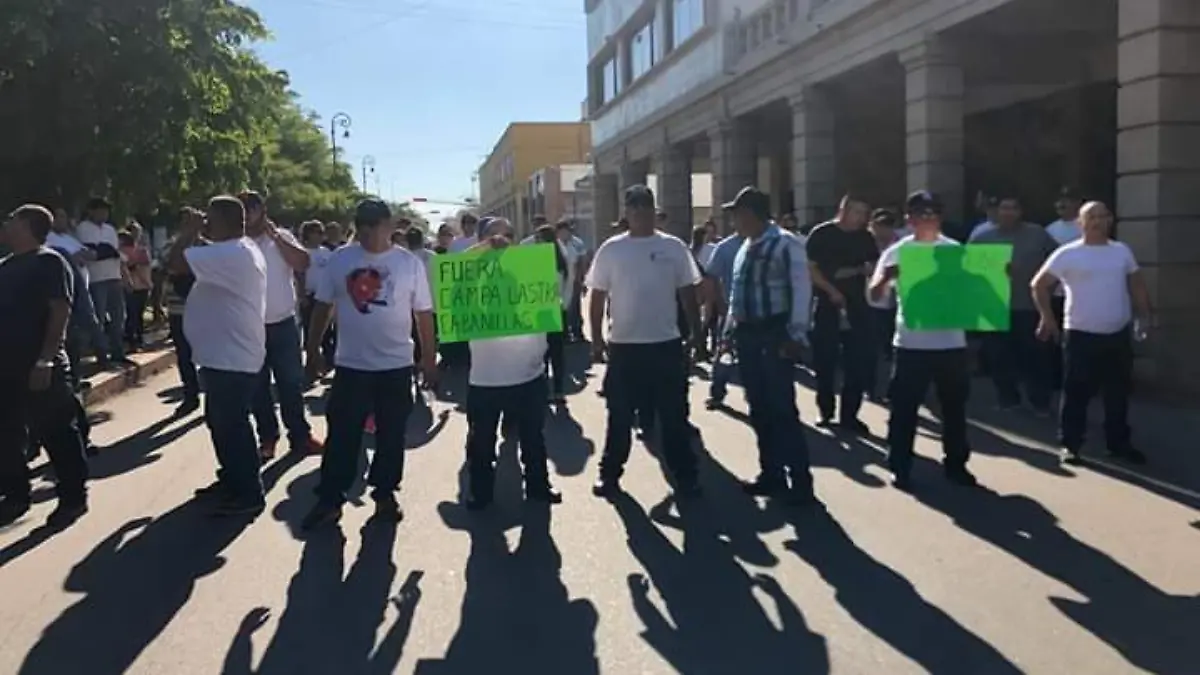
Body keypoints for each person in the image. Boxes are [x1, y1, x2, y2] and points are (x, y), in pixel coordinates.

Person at [301, 199, 438, 531]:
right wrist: (313, 349)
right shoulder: (340, 260)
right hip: (351, 366)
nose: (367, 236)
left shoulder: (409, 264)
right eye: (361, 228)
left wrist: (428, 358)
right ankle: (331, 499)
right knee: (343, 435)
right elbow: (323, 306)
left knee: (392, 436)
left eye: (373, 228)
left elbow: (423, 313)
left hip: (395, 366)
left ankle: (385, 494)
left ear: (389, 227)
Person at [587, 184, 702, 498]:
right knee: (620, 416)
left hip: (665, 345)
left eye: (644, 205)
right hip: (624, 347)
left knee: (673, 416)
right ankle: (609, 475)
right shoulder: (611, 249)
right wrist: (596, 341)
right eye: (633, 206)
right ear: (626, 212)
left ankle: (686, 476)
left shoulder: (674, 247)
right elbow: (597, 297)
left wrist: (697, 331)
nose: (639, 211)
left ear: (654, 209)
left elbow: (688, 293)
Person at [870, 191, 977, 491]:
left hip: (951, 344)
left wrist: (995, 278)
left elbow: (974, 297)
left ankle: (956, 464)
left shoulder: (956, 251)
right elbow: (874, 297)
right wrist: (885, 278)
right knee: (904, 410)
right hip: (911, 345)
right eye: (921, 214)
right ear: (910, 219)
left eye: (933, 213)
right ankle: (900, 466)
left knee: (954, 409)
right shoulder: (897, 252)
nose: (927, 218)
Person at [1031, 201, 1150, 466]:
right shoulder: (1067, 254)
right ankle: (1070, 445)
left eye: (1102, 216)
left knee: (1117, 393)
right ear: (1080, 223)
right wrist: (1047, 318)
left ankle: (1118, 443)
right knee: (1076, 392)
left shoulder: (1121, 251)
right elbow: (1039, 285)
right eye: (1091, 217)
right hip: (1081, 334)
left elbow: (1136, 283)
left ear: (1110, 220)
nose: (1097, 221)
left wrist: (1144, 315)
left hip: (1117, 333)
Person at [170, 196, 268, 516]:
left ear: (225, 221)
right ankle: (233, 479)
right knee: (221, 422)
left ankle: (248, 491)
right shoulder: (234, 250)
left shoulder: (232, 252)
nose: (205, 224)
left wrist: (188, 231)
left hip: (232, 357)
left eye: (210, 219)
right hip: (221, 356)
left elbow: (174, 263)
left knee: (232, 424)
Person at [723, 187, 817, 505]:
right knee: (759, 407)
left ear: (752, 214)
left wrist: (796, 334)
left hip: (775, 333)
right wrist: (728, 331)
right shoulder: (744, 247)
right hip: (748, 335)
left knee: (781, 409)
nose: (734, 220)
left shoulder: (785, 243)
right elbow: (737, 293)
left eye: (737, 213)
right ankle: (772, 473)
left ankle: (801, 480)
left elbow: (801, 290)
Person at [0, 204, 90, 527]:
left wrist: (45, 359)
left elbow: (59, 311)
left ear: (28, 226)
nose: (6, 224)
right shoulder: (6, 266)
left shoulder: (49, 261)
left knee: (56, 432)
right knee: (7, 434)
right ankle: (15, 496)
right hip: (6, 367)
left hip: (40, 364)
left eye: (12, 219)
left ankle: (73, 497)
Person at [461, 222, 562, 510]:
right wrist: (483, 250)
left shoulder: (531, 269)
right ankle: (481, 493)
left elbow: (549, 304)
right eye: (493, 235)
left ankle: (539, 487)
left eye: (508, 234)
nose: (501, 240)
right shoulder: (470, 274)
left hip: (528, 374)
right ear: (480, 240)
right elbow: (448, 278)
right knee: (481, 442)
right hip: (485, 377)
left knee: (533, 438)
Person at [240, 191, 320, 461]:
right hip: (250, 327)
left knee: (290, 383)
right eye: (243, 208)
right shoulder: (235, 242)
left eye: (253, 206)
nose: (248, 212)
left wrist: (275, 237)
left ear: (263, 209)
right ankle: (267, 437)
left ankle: (300, 436)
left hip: (283, 324)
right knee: (257, 387)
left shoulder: (281, 237)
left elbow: (302, 262)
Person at [969, 195, 1059, 413]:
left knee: (1035, 356)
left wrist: (1050, 289)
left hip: (1029, 306)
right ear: (996, 212)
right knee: (999, 357)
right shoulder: (982, 238)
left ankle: (1040, 402)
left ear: (1021, 211)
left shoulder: (1038, 234)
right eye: (1004, 208)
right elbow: (968, 271)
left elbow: (1058, 262)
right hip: (995, 306)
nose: (1008, 213)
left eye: (1013, 208)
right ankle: (1007, 398)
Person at [805, 194, 877, 431]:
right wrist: (830, 289)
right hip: (827, 306)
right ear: (844, 210)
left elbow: (872, 266)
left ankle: (850, 415)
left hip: (857, 307)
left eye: (864, 213)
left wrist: (867, 271)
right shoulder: (822, 234)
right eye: (857, 212)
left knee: (856, 364)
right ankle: (826, 411)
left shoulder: (865, 237)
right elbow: (812, 268)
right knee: (824, 362)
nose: (861, 218)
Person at [76, 197, 130, 366]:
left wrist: (104, 252)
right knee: (98, 317)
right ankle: (101, 354)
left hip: (114, 276)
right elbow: (91, 251)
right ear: (91, 211)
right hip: (96, 278)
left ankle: (117, 351)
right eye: (100, 210)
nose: (103, 214)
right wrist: (104, 251)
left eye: (105, 211)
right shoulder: (83, 228)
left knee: (118, 317)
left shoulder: (110, 229)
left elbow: (111, 251)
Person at [864, 208, 902, 401]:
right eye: (878, 226)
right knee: (872, 348)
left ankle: (894, 389)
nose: (882, 231)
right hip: (872, 303)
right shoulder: (864, 244)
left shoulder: (901, 245)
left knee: (892, 350)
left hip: (898, 304)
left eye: (886, 226)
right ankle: (871, 387)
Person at [534, 223, 570, 403]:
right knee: (555, 352)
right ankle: (557, 389)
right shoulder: (561, 258)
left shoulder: (545, 260)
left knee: (545, 351)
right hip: (556, 309)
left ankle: (550, 389)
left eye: (538, 239)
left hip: (545, 311)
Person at [120, 227, 153, 352]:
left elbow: (143, 267)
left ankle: (136, 339)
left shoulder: (141, 251)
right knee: (133, 314)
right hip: (134, 286)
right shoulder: (135, 251)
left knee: (135, 314)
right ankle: (133, 340)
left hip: (138, 286)